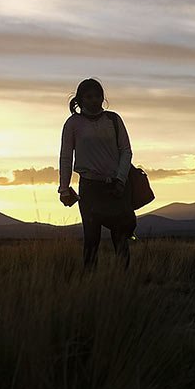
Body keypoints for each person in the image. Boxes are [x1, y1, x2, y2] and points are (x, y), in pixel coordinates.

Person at [57, 78, 136, 270]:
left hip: (115, 186)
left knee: (121, 236)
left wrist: (121, 179)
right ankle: (91, 283)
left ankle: (123, 282)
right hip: (90, 186)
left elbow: (126, 150)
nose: (94, 100)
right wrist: (64, 188)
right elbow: (66, 156)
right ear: (80, 99)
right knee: (91, 237)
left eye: (97, 96)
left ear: (103, 97)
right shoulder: (73, 123)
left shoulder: (114, 120)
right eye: (89, 96)